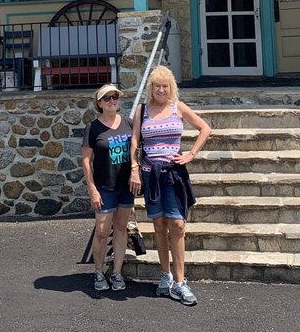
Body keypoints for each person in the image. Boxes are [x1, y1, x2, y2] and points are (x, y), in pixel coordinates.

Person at [129, 65, 211, 306]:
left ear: (171, 87)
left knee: (177, 224)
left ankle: (180, 281)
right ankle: (165, 276)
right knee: (159, 224)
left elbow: (205, 128)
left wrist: (191, 154)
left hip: (174, 174)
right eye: (157, 86)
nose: (161, 90)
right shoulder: (142, 110)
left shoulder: (178, 107)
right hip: (150, 174)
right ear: (151, 89)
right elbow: (134, 141)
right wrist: (134, 170)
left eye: (165, 86)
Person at [80, 83, 133, 292]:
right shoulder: (93, 128)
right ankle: (99, 271)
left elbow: (136, 151)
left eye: (115, 97)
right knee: (102, 231)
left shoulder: (128, 123)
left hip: (126, 186)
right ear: (99, 103)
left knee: (120, 228)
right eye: (107, 98)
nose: (112, 101)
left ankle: (117, 272)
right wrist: (92, 189)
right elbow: (86, 161)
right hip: (104, 186)